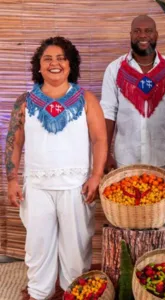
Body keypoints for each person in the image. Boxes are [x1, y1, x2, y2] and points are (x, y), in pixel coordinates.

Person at [5, 37, 107, 300]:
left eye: (61, 58)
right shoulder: (24, 101)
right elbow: (14, 143)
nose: (55, 63)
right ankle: (39, 292)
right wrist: (12, 179)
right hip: (37, 188)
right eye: (47, 58)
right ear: (38, 66)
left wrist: (96, 175)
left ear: (70, 64)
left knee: (75, 248)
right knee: (38, 246)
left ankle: (74, 292)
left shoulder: (85, 99)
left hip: (76, 186)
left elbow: (99, 139)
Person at [100, 15, 165, 172]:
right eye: (137, 31)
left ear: (156, 35)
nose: (143, 35)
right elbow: (108, 113)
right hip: (125, 161)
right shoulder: (115, 69)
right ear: (130, 35)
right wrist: (104, 154)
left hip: (162, 161)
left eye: (148, 31)